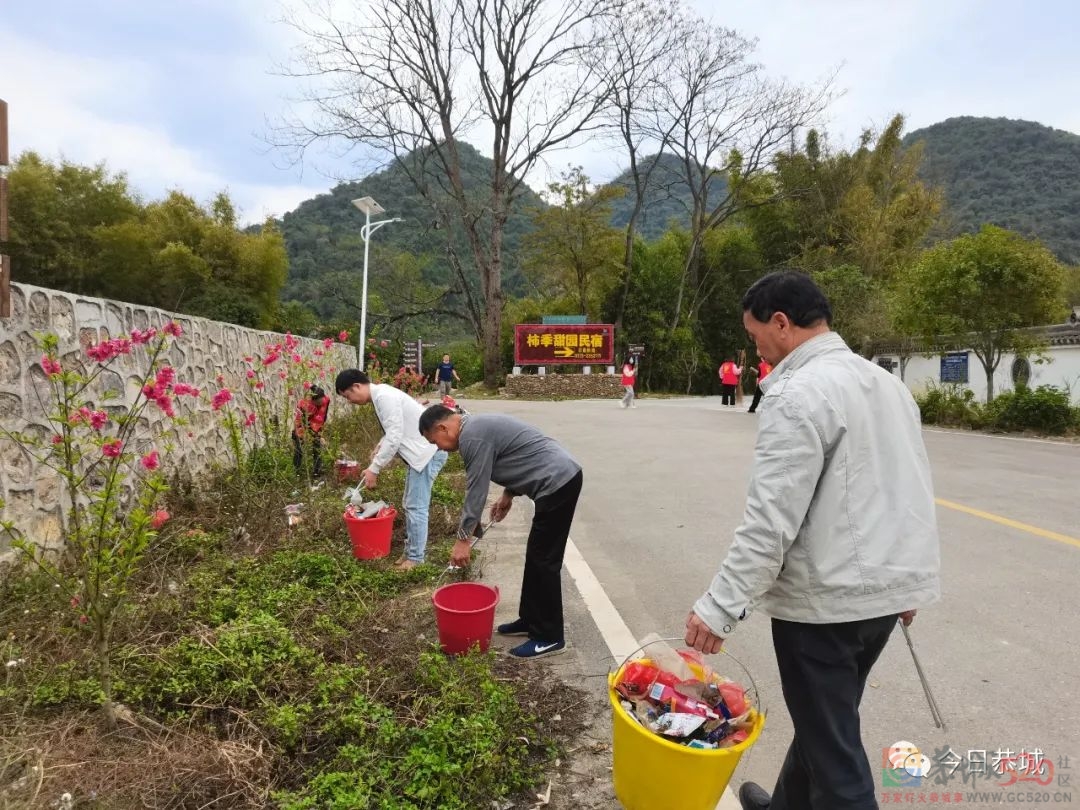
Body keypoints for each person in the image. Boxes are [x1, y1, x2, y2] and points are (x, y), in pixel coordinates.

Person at [683, 271, 941, 810]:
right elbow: (907, 489)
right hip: (880, 601)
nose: (756, 347)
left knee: (836, 757)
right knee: (825, 721)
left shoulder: (799, 394)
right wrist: (907, 581)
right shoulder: (888, 385)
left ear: (782, 323)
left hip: (825, 608)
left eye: (756, 335)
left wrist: (719, 606)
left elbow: (770, 519)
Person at [419, 405, 582, 659]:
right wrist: (509, 493)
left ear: (443, 428)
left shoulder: (471, 436)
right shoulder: (476, 428)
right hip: (554, 479)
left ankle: (550, 637)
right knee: (536, 556)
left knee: (545, 562)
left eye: (434, 441)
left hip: (558, 482)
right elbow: (516, 454)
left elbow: (476, 490)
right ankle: (530, 620)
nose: (438, 447)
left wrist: (463, 540)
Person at [335, 369, 448, 571]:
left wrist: (374, 469)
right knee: (410, 504)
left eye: (348, 395)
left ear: (357, 386)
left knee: (416, 507)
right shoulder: (382, 395)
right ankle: (412, 552)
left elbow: (395, 435)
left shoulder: (384, 397)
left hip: (427, 453)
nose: (349, 401)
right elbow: (395, 429)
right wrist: (380, 445)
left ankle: (416, 558)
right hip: (422, 454)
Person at [292, 385, 330, 477]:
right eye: (318, 402)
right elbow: (303, 423)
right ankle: (296, 472)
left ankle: (317, 471)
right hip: (302, 426)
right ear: (312, 400)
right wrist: (315, 435)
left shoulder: (325, 400)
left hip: (316, 426)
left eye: (321, 401)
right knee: (299, 449)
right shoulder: (305, 405)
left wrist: (320, 435)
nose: (321, 404)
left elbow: (323, 417)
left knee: (317, 448)